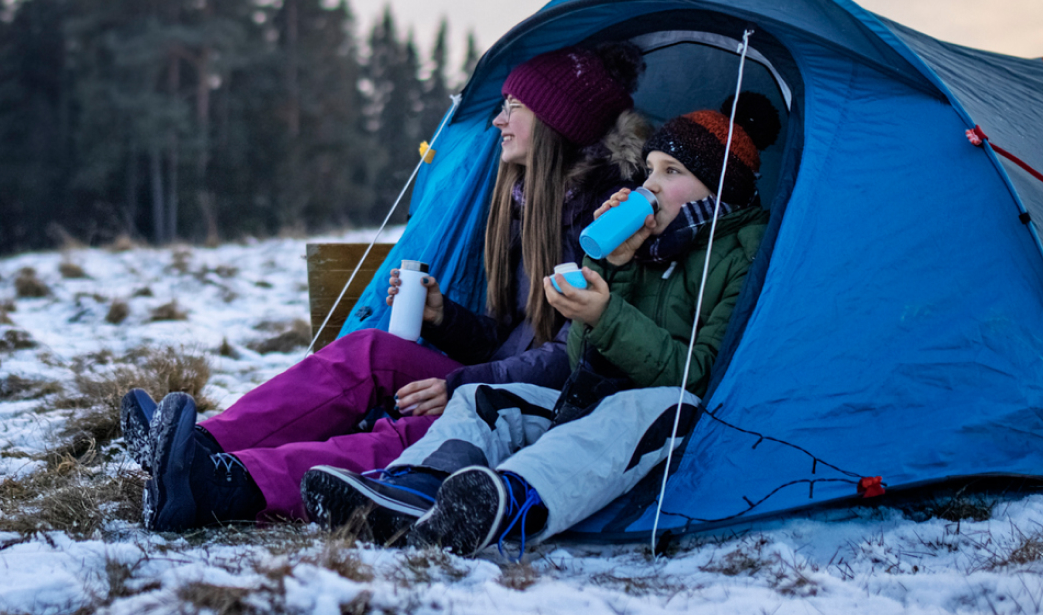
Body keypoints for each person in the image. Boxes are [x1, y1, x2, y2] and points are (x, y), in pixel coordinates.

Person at [130, 42, 653, 532]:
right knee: (368, 351)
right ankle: (199, 445)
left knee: (423, 433)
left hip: (545, 406)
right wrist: (443, 317)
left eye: (514, 107)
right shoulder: (526, 201)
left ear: (556, 121)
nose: (498, 119)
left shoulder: (608, 222)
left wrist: (463, 383)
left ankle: (228, 486)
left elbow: (570, 356)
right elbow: (512, 336)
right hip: (494, 379)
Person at [302, 96, 780, 556]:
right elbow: (581, 360)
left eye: (671, 172)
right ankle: (413, 490)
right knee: (480, 397)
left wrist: (605, 314)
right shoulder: (649, 248)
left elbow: (695, 377)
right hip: (594, 404)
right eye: (650, 170)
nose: (650, 185)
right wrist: (612, 264)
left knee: (652, 405)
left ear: (720, 188)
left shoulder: (744, 255)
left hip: (667, 423)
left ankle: (511, 501)